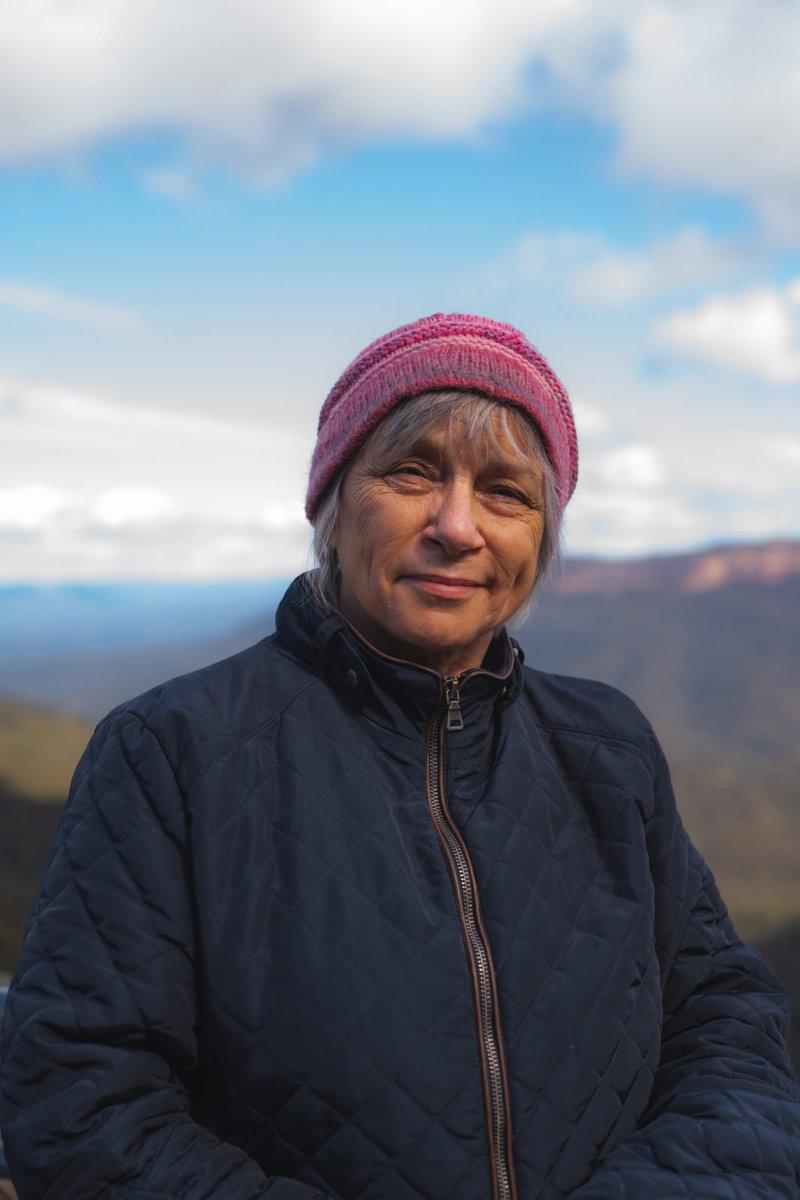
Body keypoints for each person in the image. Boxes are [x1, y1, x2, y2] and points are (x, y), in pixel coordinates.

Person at [1, 313, 798, 1199]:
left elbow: (730, 1026)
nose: (458, 527)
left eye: (507, 492)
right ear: (333, 508)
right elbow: (79, 1100)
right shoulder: (172, 754)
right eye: (413, 472)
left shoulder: (609, 749)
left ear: (541, 540)